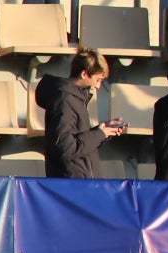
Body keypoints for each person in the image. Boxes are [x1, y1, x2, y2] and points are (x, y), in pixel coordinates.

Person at [37, 48, 125, 178]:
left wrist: (102, 132)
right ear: (84, 74)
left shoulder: (76, 98)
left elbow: (76, 139)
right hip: (73, 182)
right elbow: (65, 147)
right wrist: (99, 134)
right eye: (97, 80)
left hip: (79, 180)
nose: (98, 86)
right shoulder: (66, 99)